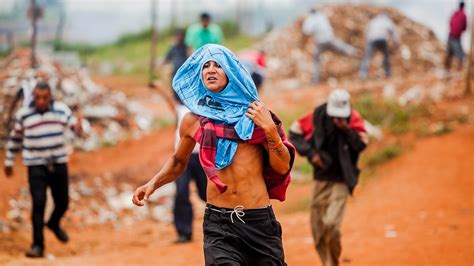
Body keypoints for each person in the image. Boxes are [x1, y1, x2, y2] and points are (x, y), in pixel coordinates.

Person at [133, 44, 296, 265]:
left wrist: (270, 131)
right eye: (205, 66)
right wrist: (152, 183)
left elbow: (282, 167)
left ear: (232, 72)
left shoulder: (256, 115)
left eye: (218, 65)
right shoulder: (193, 120)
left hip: (258, 222)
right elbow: (178, 161)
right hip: (219, 225)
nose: (210, 70)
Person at [3, 81, 83, 258]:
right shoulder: (24, 115)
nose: (41, 101)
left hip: (58, 163)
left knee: (63, 202)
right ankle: (37, 245)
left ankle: (53, 223)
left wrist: (79, 126)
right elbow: (15, 139)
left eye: (44, 98)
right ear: (33, 97)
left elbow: (75, 127)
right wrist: (8, 161)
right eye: (37, 98)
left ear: (50, 97)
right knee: (38, 203)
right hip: (35, 164)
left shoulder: (61, 110)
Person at [288, 89, 368, 266]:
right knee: (317, 227)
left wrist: (346, 129)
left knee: (331, 224)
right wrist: (311, 154)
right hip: (321, 178)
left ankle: (332, 263)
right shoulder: (317, 115)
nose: (336, 119)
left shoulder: (353, 118)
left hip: (341, 179)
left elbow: (361, 144)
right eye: (334, 116)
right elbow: (294, 132)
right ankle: (327, 262)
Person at [172, 105, 207, 243]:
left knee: (206, 193)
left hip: (203, 156)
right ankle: (184, 232)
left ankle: (228, 225)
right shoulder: (181, 109)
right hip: (182, 157)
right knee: (181, 192)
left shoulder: (207, 106)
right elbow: (171, 105)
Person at [302, 8, 358, 83]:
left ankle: (316, 79)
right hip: (330, 38)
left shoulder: (310, 19)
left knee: (316, 59)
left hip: (321, 42)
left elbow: (307, 31)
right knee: (343, 48)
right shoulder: (322, 16)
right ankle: (355, 53)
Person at [359, 13, 400, 80]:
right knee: (386, 57)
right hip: (382, 39)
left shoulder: (373, 21)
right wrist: (396, 42)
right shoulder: (387, 21)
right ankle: (388, 75)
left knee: (367, 58)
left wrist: (367, 42)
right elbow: (393, 32)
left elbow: (367, 32)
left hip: (371, 40)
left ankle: (362, 75)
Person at [445, 1, 467, 71]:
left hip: (450, 35)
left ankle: (446, 70)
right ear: (463, 7)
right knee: (461, 56)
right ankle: (458, 72)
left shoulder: (455, 13)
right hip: (457, 37)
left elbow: (450, 22)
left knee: (449, 54)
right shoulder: (464, 15)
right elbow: (465, 27)